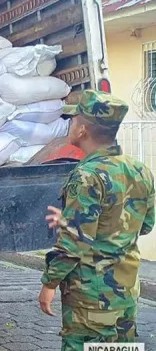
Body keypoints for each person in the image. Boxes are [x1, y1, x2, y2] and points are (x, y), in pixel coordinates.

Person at [39, 90, 155, 350]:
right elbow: (144, 225)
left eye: (73, 119)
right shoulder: (139, 169)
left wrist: (49, 283)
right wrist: (73, 220)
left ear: (82, 130)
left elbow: (75, 243)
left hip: (91, 297)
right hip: (125, 292)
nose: (70, 124)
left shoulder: (87, 176)